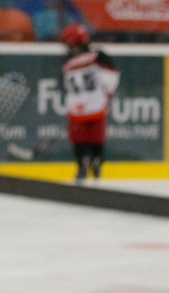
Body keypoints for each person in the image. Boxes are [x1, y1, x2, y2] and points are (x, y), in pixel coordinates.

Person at [59, 23, 118, 184]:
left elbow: (63, 86)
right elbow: (111, 76)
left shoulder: (66, 62)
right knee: (96, 139)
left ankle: (82, 166)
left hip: (77, 108)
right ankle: (96, 163)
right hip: (96, 105)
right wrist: (108, 93)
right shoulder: (98, 56)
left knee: (80, 140)